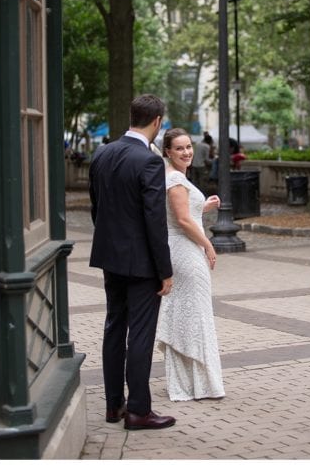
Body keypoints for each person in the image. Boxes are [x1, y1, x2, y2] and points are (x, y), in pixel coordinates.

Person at [88, 94, 176, 431]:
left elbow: (97, 208)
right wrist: (164, 271)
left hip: (110, 258)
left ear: (132, 116)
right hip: (141, 263)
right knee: (140, 335)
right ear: (156, 122)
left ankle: (114, 406)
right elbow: (155, 220)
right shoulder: (149, 161)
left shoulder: (103, 153)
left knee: (114, 328)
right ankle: (139, 410)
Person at [156, 128, 224, 401]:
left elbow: (184, 213)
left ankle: (196, 380)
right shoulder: (174, 178)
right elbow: (183, 221)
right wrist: (207, 243)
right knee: (192, 313)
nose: (186, 152)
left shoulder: (176, 177)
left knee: (192, 312)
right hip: (185, 251)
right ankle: (192, 382)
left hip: (185, 247)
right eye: (179, 148)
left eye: (188, 147)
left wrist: (203, 207)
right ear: (168, 152)